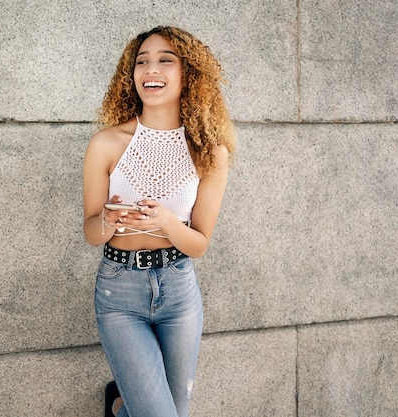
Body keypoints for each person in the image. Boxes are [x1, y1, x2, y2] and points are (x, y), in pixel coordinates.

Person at [82, 26, 235, 417]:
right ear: (131, 76)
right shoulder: (107, 143)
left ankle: (119, 410)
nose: (152, 69)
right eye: (142, 61)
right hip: (120, 293)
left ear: (189, 75)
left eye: (166, 60)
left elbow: (199, 244)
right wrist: (109, 220)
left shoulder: (209, 153)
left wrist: (167, 223)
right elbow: (91, 233)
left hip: (179, 290)